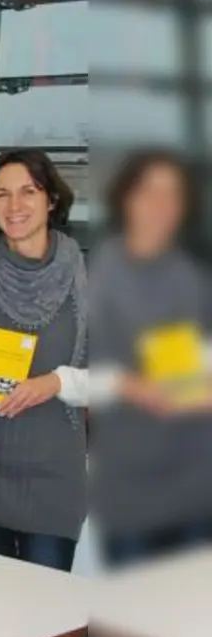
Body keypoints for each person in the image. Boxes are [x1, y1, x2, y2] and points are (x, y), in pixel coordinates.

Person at [0, 150, 89, 571]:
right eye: (2, 194)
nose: (15, 205)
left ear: (52, 201)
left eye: (29, 191)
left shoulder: (90, 282)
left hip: (52, 473)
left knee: (47, 613)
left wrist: (56, 383)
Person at [87, 149, 212, 565]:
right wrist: (128, 386)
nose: (161, 206)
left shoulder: (188, 278)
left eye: (172, 195)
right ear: (126, 199)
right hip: (131, 486)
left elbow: (188, 364)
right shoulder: (99, 272)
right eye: (150, 192)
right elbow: (83, 370)